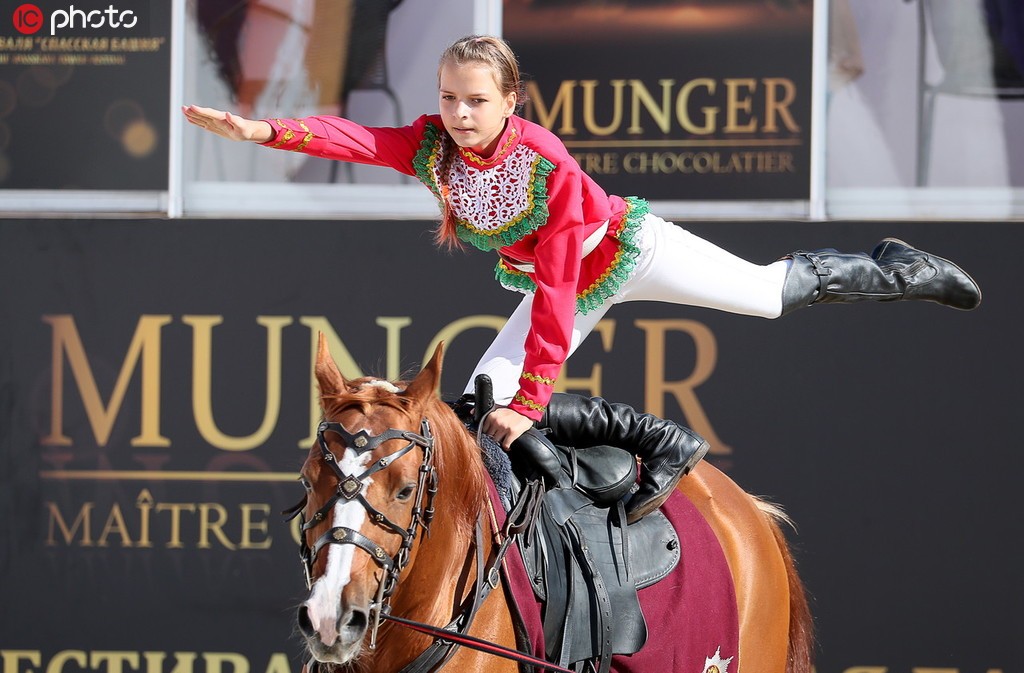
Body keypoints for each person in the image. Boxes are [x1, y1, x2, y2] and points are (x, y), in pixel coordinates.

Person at [183, 34, 981, 519]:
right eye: (448, 99)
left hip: (625, 249)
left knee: (769, 296)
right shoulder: (433, 147)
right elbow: (352, 138)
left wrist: (533, 398)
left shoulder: (546, 164)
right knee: (477, 406)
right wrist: (260, 128)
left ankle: (897, 270)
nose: (459, 114)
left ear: (510, 99)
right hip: (563, 280)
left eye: (474, 101)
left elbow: (560, 285)